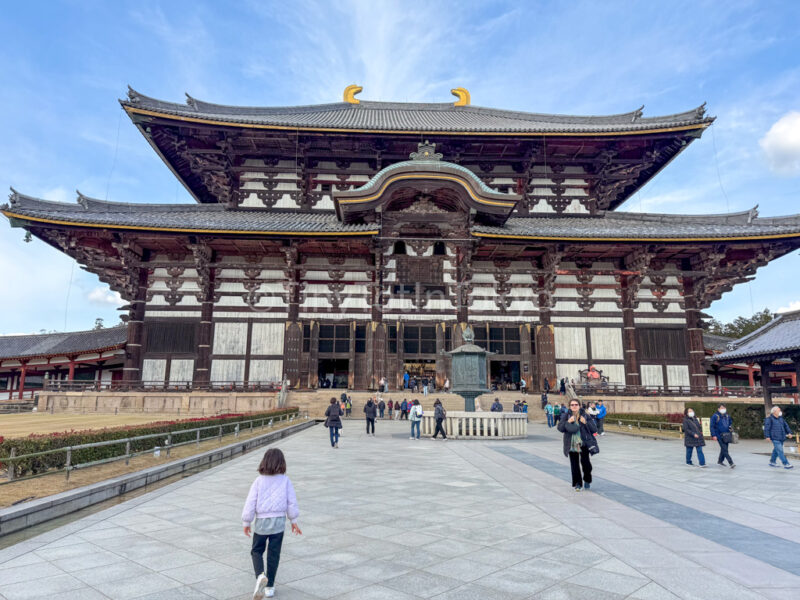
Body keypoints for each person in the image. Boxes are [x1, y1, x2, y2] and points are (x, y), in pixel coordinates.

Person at [242, 448, 302, 599]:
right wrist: (293, 520)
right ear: (282, 463)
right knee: (273, 554)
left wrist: (246, 521)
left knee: (256, 550)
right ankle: (269, 587)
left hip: (262, 521)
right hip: (279, 522)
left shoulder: (258, 480)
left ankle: (260, 576)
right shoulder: (285, 480)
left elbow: (251, 501)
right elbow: (291, 502)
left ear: (265, 461)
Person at [557, 399, 598, 491]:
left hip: (584, 443)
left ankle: (587, 479)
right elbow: (560, 428)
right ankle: (578, 483)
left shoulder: (585, 415)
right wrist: (568, 421)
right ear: (570, 406)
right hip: (571, 444)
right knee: (574, 465)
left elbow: (594, 429)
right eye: (572, 405)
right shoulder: (566, 415)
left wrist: (585, 423)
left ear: (579, 406)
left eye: (576, 404)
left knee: (586, 464)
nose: (574, 406)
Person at [710, 403, 735, 468]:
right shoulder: (715, 416)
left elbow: (730, 423)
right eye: (721, 408)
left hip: (727, 435)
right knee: (724, 449)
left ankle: (720, 461)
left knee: (724, 449)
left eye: (724, 408)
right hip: (719, 435)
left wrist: (731, 428)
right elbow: (712, 426)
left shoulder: (727, 416)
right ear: (718, 409)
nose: (723, 409)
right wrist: (713, 435)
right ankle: (731, 462)